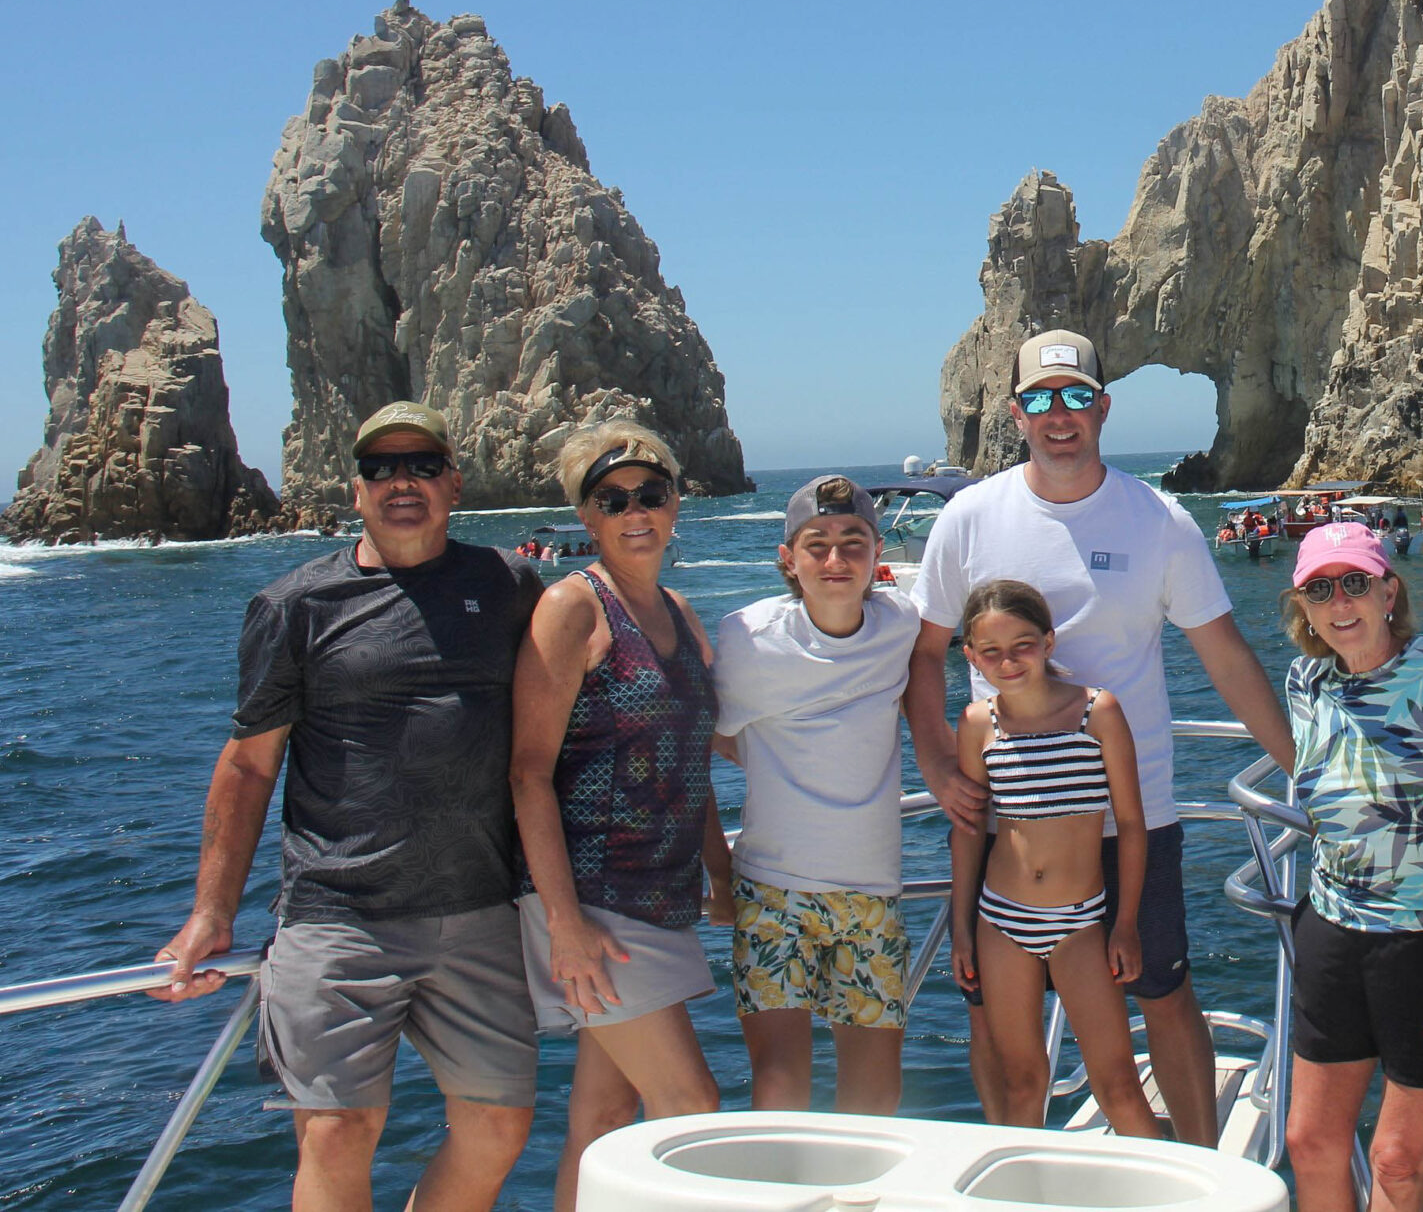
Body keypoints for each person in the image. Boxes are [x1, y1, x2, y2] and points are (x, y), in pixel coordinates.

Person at [151, 401, 544, 1212]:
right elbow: (249, 766)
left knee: (500, 1124)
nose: (402, 482)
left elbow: (567, 706)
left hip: (479, 911)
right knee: (336, 1132)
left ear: (454, 482)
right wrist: (208, 914)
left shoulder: (507, 583)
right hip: (338, 914)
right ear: (355, 489)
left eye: (422, 465)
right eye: (381, 468)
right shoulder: (294, 605)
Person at [905, 328, 1291, 1145]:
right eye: (1040, 399)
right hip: (1009, 834)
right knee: (995, 1021)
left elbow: (1224, 653)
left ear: (1103, 407)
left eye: (1075, 396)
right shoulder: (969, 518)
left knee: (1162, 992)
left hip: (1133, 820)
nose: (1059, 416)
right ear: (1015, 414)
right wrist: (938, 762)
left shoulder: (1161, 520)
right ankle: (1015, 1177)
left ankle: (1200, 1174)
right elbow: (924, 655)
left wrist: (1306, 773)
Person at [510, 422, 729, 1211]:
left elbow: (692, 755)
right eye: (614, 499)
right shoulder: (572, 608)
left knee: (604, 1117)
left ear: (675, 504)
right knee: (692, 1106)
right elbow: (528, 773)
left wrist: (721, 876)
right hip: (593, 903)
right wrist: (563, 923)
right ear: (587, 516)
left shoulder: (681, 610)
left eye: (651, 493)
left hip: (663, 897)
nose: (636, 511)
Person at [1280, 523, 1423, 1212]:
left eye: (1355, 583)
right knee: (1310, 1141)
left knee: (1397, 1161)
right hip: (1333, 926)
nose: (1340, 602)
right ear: (1303, 607)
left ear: (1388, 590)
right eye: (1320, 588)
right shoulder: (1305, 680)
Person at [714, 476, 919, 1114]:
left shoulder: (903, 623)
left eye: (852, 542)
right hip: (772, 891)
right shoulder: (746, 637)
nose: (836, 560)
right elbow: (710, 735)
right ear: (788, 558)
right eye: (817, 544)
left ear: (878, 551)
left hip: (871, 894)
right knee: (780, 1088)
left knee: (875, 1093)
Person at [947, 579, 1161, 1137]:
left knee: (1117, 1082)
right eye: (990, 652)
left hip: (1080, 922)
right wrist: (961, 929)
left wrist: (1127, 925)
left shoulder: (1097, 712)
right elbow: (969, 834)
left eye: (1022, 644)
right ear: (971, 657)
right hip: (1000, 921)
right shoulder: (977, 724)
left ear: (1048, 641)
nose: (1008, 661)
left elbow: (1133, 826)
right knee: (1022, 1080)